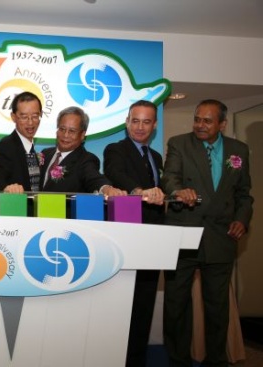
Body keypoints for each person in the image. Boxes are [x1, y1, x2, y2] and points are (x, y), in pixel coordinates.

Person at [162, 99, 253, 367]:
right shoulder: (179, 143)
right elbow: (169, 177)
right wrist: (178, 191)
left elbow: (244, 194)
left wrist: (242, 219)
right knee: (176, 305)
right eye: (197, 119)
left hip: (220, 237)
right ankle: (178, 360)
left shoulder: (239, 150)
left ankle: (216, 360)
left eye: (207, 120)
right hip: (184, 232)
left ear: (222, 124)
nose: (200, 125)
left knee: (217, 308)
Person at [103, 100, 165, 367]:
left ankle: (137, 360)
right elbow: (116, 174)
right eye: (135, 120)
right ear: (127, 122)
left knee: (145, 303)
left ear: (154, 125)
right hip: (126, 237)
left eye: (147, 121)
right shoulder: (115, 149)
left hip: (153, 239)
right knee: (122, 306)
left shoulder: (157, 157)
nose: (140, 127)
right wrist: (139, 191)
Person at [40, 106, 125, 197]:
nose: (65, 135)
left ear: (82, 135)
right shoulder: (45, 153)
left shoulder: (86, 160)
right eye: (62, 129)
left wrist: (106, 188)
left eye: (72, 131)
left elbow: (93, 177)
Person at [0, 91, 42, 194]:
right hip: (14, 208)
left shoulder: (31, 149)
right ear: (13, 117)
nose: (30, 122)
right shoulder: (6, 146)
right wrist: (6, 187)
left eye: (35, 116)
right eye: (24, 117)